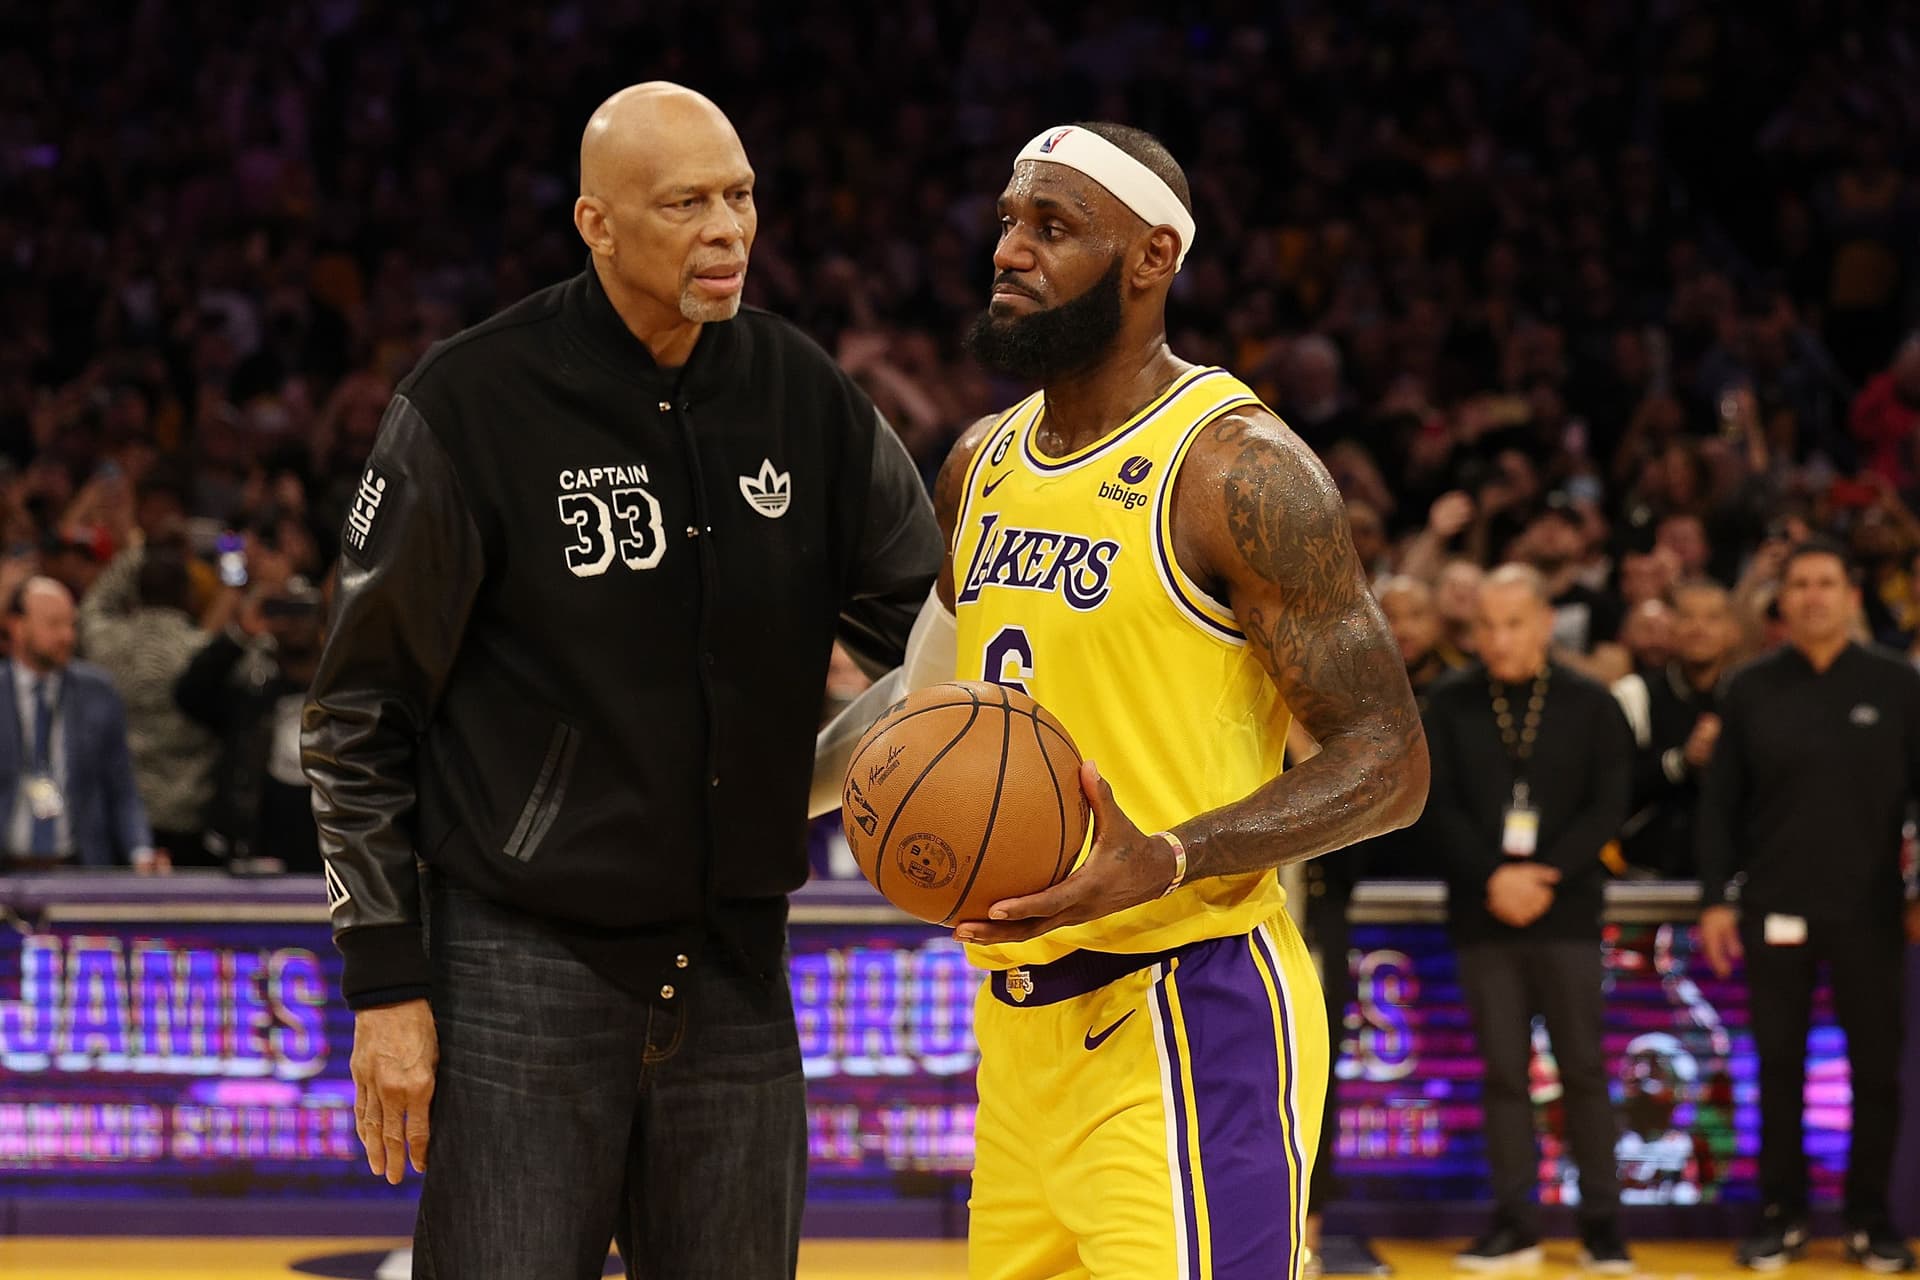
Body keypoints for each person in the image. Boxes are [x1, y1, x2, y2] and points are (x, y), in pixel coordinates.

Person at [302, 83, 941, 1280]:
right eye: (684, 203)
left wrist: (863, 781)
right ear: (597, 224)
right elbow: (355, 714)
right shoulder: (473, 402)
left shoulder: (805, 394)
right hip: (522, 964)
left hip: (738, 968)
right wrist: (386, 982)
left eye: (741, 196)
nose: (727, 230)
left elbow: (939, 630)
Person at [818, 121, 1428, 1280]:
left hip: (1188, 1015)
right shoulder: (980, 462)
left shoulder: (1237, 468)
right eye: (1007, 221)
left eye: (1053, 227)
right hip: (1019, 1031)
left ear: (1151, 258)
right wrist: (752, 806)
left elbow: (1392, 762)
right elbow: (922, 698)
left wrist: (1172, 853)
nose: (1011, 249)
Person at [1695, 538, 1920, 1273]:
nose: (1815, 596)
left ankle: (1870, 1218)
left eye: (1829, 583)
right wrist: (1716, 900)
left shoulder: (1897, 685)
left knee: (1877, 1071)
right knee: (1779, 1069)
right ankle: (1781, 1214)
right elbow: (1720, 807)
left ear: (1854, 597)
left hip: (1874, 911)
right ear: (1781, 602)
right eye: (1801, 585)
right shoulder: (1751, 687)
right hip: (1773, 907)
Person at [1420, 564, 1633, 1273]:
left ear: (1545, 622)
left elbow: (1609, 803)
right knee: (1503, 1074)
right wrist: (1494, 876)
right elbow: (1435, 806)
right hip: (1484, 913)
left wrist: (1544, 874)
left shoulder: (1590, 702)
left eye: (1512, 623)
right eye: (1484, 625)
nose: (1497, 638)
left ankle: (1602, 1228)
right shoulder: (1447, 703)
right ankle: (1515, 1223)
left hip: (1565, 910)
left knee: (1584, 1070)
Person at [76, 534, 227, 865]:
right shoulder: (202, 653)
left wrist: (138, 547)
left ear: (135, 592)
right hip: (185, 815)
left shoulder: (105, 643)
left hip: (121, 815)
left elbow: (93, 604)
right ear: (189, 596)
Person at [1, 577, 162, 871]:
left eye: (71, 625)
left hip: (77, 870)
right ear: (17, 626)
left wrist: (141, 852)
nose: (67, 636)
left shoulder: (98, 692)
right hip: (7, 869)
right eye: (53, 624)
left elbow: (122, 789)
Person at [175, 574, 326, 874]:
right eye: (282, 610)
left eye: (301, 611)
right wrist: (241, 632)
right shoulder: (250, 689)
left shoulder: (344, 693)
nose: (294, 622)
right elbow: (189, 695)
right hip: (259, 842)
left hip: (326, 842)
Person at [1612, 581, 1741, 878]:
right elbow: (1613, 787)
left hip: (1734, 876)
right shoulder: (1633, 695)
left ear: (1734, 631)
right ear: (1671, 629)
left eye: (1712, 618)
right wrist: (1680, 762)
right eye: (1687, 617)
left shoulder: (1753, 700)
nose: (1699, 628)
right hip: (1642, 873)